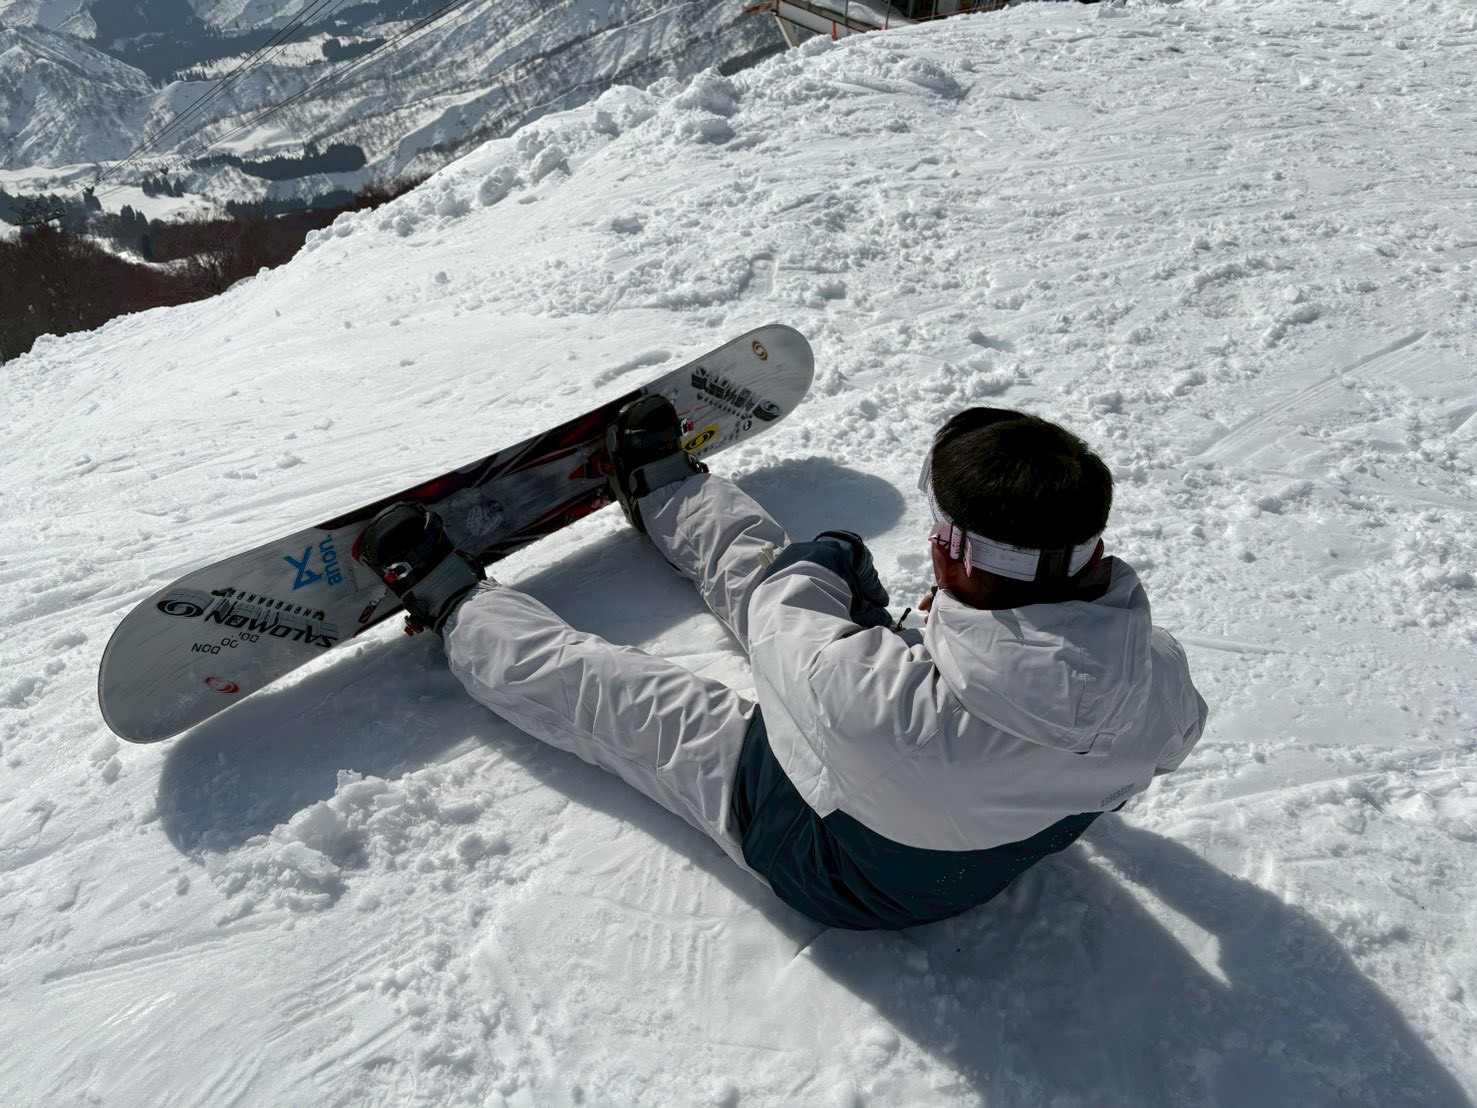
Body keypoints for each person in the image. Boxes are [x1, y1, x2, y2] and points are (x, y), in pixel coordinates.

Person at [356, 400, 1208, 930]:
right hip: (953, 827)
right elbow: (1153, 744)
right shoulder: (1159, 677)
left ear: (950, 551)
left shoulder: (880, 705)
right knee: (799, 598)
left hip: (833, 857)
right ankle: (669, 492)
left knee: (631, 698)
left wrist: (826, 563)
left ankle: (459, 608)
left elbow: (779, 618)